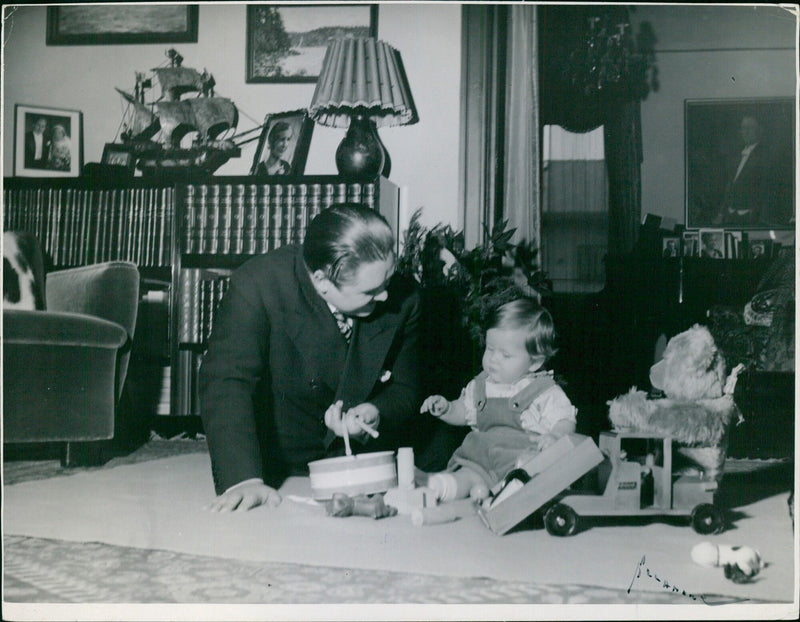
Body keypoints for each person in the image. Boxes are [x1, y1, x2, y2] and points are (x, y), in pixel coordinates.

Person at [199, 203, 421, 512]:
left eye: (387, 280)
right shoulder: (258, 284)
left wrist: (375, 411)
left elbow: (406, 389)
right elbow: (226, 381)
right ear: (321, 282)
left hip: (367, 461)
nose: (385, 296)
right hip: (284, 456)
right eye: (371, 291)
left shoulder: (403, 295)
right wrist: (243, 479)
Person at [419, 298, 577, 502]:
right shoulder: (481, 385)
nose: (494, 359)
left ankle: (506, 496)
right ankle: (438, 487)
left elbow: (565, 420)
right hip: (480, 461)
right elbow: (465, 413)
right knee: (466, 477)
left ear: (534, 362)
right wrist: (447, 409)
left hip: (518, 464)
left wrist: (555, 436)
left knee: (527, 471)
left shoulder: (543, 392)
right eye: (490, 349)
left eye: (505, 355)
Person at [714, 115, 771, 226]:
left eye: (750, 128)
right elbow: (730, 186)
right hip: (730, 216)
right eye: (743, 128)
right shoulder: (736, 155)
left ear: (760, 130)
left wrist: (756, 217)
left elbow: (766, 190)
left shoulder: (766, 156)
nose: (745, 132)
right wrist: (721, 213)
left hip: (750, 218)